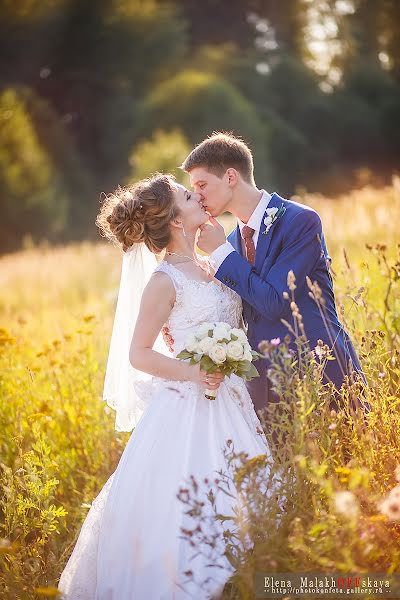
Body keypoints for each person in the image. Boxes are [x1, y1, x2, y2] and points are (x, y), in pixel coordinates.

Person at [57, 173, 271, 600]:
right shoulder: (164, 280)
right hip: (189, 402)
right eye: (190, 196)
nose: (200, 198)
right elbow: (138, 353)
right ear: (176, 221)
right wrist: (194, 372)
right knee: (190, 508)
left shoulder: (213, 261)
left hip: (233, 398)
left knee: (250, 498)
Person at [163, 132, 367, 417]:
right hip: (267, 391)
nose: (197, 195)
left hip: (324, 372)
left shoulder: (300, 221)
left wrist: (220, 253)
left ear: (231, 177)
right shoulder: (231, 242)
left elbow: (274, 301)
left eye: (202, 184)